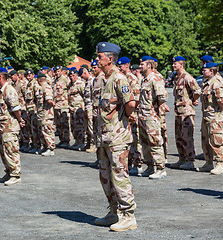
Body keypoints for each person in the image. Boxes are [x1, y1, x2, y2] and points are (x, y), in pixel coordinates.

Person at [94, 42, 137, 231]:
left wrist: (123, 121)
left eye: (99, 56)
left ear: (109, 59)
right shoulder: (104, 79)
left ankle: (129, 215)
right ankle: (114, 213)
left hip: (117, 138)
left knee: (119, 176)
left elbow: (131, 104)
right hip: (105, 138)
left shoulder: (119, 78)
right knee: (105, 177)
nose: (96, 59)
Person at [0, 67, 25, 186]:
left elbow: (16, 108)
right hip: (3, 126)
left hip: (10, 126)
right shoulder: (1, 89)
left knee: (11, 150)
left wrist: (19, 119)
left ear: (0, 76)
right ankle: (9, 172)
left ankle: (16, 175)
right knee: (4, 151)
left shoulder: (9, 90)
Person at [138, 56, 167, 179]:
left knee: (155, 142)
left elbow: (162, 97)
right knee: (145, 144)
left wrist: (156, 110)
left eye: (142, 64)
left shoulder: (155, 78)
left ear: (149, 65)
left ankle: (161, 169)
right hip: (143, 116)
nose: (140, 66)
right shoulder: (144, 79)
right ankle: (150, 167)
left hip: (151, 116)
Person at [170, 56, 201, 170]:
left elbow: (197, 90)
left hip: (187, 112)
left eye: (175, 64)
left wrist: (193, 99)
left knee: (187, 137)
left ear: (181, 65)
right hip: (178, 112)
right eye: (173, 64)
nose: (173, 65)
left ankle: (190, 160)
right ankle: (182, 159)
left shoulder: (187, 77)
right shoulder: (177, 77)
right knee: (179, 137)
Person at [117, 57, 142, 175]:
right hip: (126, 114)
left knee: (135, 140)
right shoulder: (122, 78)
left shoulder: (131, 78)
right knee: (128, 141)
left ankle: (138, 164)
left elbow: (136, 97)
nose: (119, 68)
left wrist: (131, 112)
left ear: (127, 65)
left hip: (133, 114)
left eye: (121, 66)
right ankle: (130, 162)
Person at [197, 62, 223, 174]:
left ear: (211, 71)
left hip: (215, 118)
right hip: (206, 117)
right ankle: (208, 163)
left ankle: (220, 164)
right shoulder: (207, 83)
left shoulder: (216, 83)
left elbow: (221, 101)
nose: (202, 72)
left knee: (216, 142)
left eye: (205, 70)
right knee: (205, 141)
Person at [36, 72, 55, 156]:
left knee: (48, 130)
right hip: (42, 114)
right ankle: (45, 146)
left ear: (39, 79)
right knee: (42, 131)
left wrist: (53, 103)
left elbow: (49, 100)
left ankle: (50, 148)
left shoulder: (46, 87)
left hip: (47, 114)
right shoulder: (41, 87)